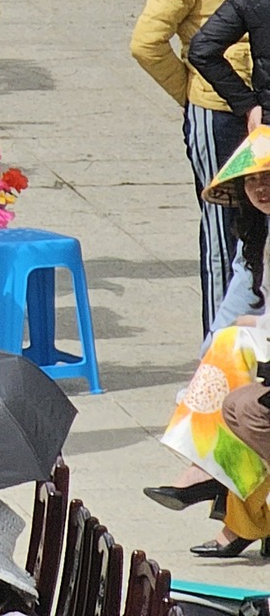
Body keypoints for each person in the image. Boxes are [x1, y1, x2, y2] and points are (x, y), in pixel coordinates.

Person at [134, 0, 270, 333]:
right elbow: (147, 43)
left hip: (265, 117)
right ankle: (217, 353)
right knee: (226, 237)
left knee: (262, 238)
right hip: (218, 118)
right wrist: (191, 94)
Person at [153, 132, 270, 558]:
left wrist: (248, 326)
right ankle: (237, 513)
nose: (260, 188)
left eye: (269, 177)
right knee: (230, 366)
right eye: (251, 181)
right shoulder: (257, 237)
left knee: (239, 376)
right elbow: (241, 295)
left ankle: (211, 481)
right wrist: (209, 359)